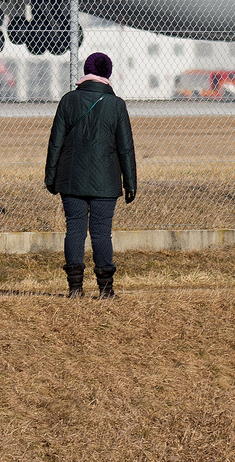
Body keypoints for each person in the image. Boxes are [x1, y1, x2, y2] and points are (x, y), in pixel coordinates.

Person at [44, 52, 137, 299]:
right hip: (105, 181)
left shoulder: (68, 101)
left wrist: (50, 176)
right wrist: (130, 182)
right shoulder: (117, 105)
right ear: (108, 74)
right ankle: (106, 290)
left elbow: (55, 142)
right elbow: (125, 147)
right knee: (101, 233)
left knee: (74, 230)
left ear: (86, 72)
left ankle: (75, 289)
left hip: (71, 177)